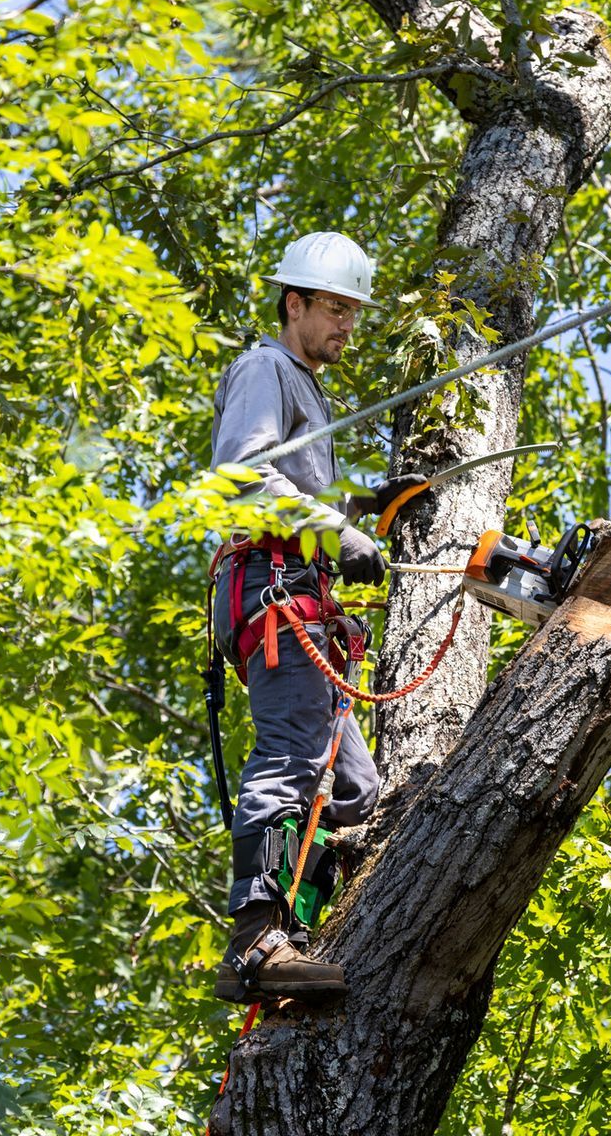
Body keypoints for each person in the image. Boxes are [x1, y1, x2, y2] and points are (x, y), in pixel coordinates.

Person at [207, 230, 424, 1004]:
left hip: (299, 599)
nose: (346, 326)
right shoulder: (268, 367)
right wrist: (343, 532)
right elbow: (239, 479)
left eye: (352, 313)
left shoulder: (304, 386)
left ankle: (303, 926)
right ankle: (258, 937)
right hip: (274, 596)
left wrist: (362, 505)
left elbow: (289, 481)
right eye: (334, 308)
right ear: (293, 302)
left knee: (357, 794)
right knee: (293, 755)